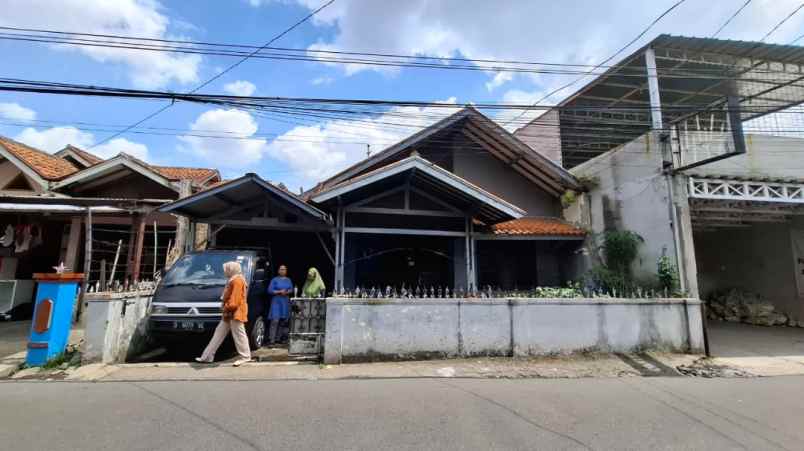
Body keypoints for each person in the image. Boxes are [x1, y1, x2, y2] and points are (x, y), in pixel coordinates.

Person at [195, 261, 251, 366]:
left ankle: (245, 356)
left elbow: (234, 301)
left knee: (239, 335)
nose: (225, 271)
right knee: (219, 334)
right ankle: (207, 356)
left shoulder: (237, 281)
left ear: (231, 269)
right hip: (230, 313)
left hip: (235, 313)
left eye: (226, 269)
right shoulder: (233, 280)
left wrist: (225, 308)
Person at [266, 264, 293, 345]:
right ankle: (271, 340)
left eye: (284, 269)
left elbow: (291, 289)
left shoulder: (288, 280)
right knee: (275, 320)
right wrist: (279, 291)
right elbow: (269, 290)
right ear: (278, 271)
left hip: (285, 301)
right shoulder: (274, 279)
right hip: (276, 301)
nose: (283, 270)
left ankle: (278, 338)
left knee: (283, 320)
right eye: (281, 269)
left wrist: (287, 292)